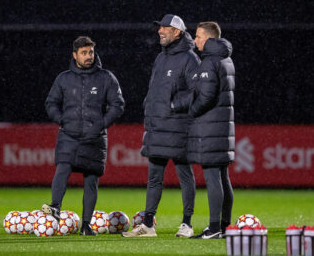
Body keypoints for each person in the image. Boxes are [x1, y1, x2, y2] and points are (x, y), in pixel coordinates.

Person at [122, 14, 200, 238]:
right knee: (154, 178)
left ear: (177, 32)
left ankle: (186, 224)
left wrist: (175, 105)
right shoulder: (161, 58)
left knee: (185, 175)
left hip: (178, 127)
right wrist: (149, 106)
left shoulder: (189, 58)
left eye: (165, 28)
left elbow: (198, 91)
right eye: (159, 28)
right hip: (157, 127)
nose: (160, 31)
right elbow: (154, 90)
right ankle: (148, 225)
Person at [42, 36, 125, 236]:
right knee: (63, 168)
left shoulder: (106, 77)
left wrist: (101, 124)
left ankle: (86, 225)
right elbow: (50, 103)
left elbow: (118, 104)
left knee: (91, 180)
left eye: (91, 52)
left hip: (94, 137)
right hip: (69, 134)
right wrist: (61, 120)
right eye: (84, 53)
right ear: (75, 55)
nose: (89, 56)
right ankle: (55, 207)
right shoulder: (63, 78)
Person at [187, 22, 235, 239]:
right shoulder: (226, 58)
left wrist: (192, 111)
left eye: (197, 36)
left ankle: (214, 228)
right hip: (223, 125)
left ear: (208, 38)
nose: (195, 40)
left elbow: (206, 96)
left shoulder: (210, 61)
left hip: (210, 126)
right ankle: (225, 226)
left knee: (213, 175)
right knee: (223, 176)